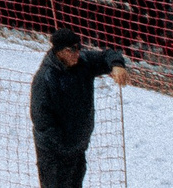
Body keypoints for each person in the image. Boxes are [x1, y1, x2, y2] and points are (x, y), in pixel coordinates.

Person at [29, 27, 129, 188]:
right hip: (54, 155)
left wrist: (117, 65)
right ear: (59, 52)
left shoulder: (83, 63)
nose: (77, 53)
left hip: (76, 149)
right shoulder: (45, 78)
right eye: (71, 50)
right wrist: (64, 146)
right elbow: (42, 121)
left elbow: (108, 55)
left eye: (79, 48)